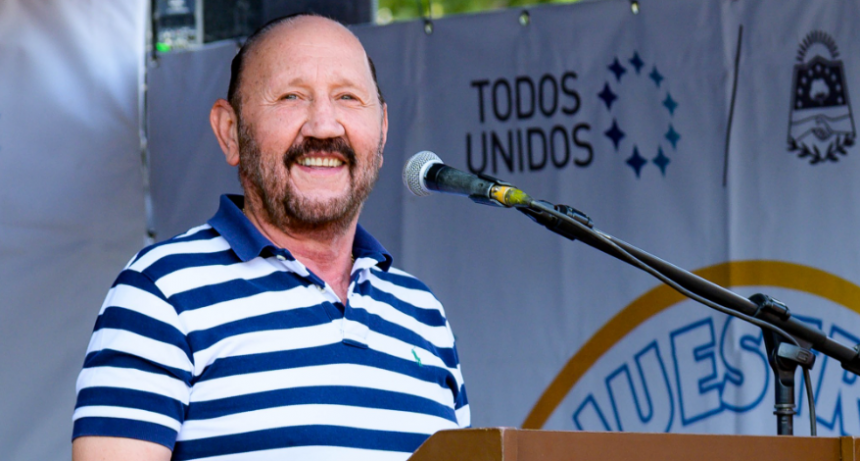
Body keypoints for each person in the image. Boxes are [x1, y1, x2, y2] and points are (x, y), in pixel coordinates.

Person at [71, 14, 469, 461]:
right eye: (291, 97)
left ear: (382, 130)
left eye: (348, 97)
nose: (324, 126)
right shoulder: (161, 294)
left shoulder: (424, 315)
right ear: (230, 132)